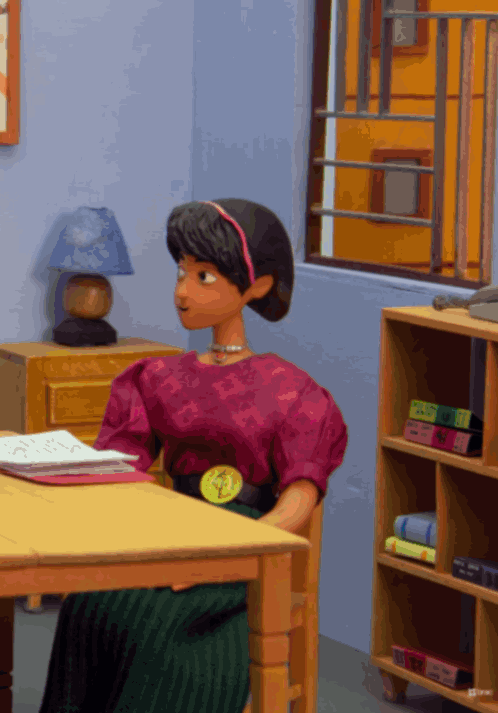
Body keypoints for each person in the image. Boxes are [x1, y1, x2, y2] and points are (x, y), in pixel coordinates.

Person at [38, 199, 349, 713]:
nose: (183, 290)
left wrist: (226, 556)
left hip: (247, 546)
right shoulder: (157, 377)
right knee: (92, 604)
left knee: (158, 625)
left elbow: (300, 500)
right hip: (170, 529)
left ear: (258, 286)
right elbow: (120, 465)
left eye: (204, 276)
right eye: (182, 272)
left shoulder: (294, 391)